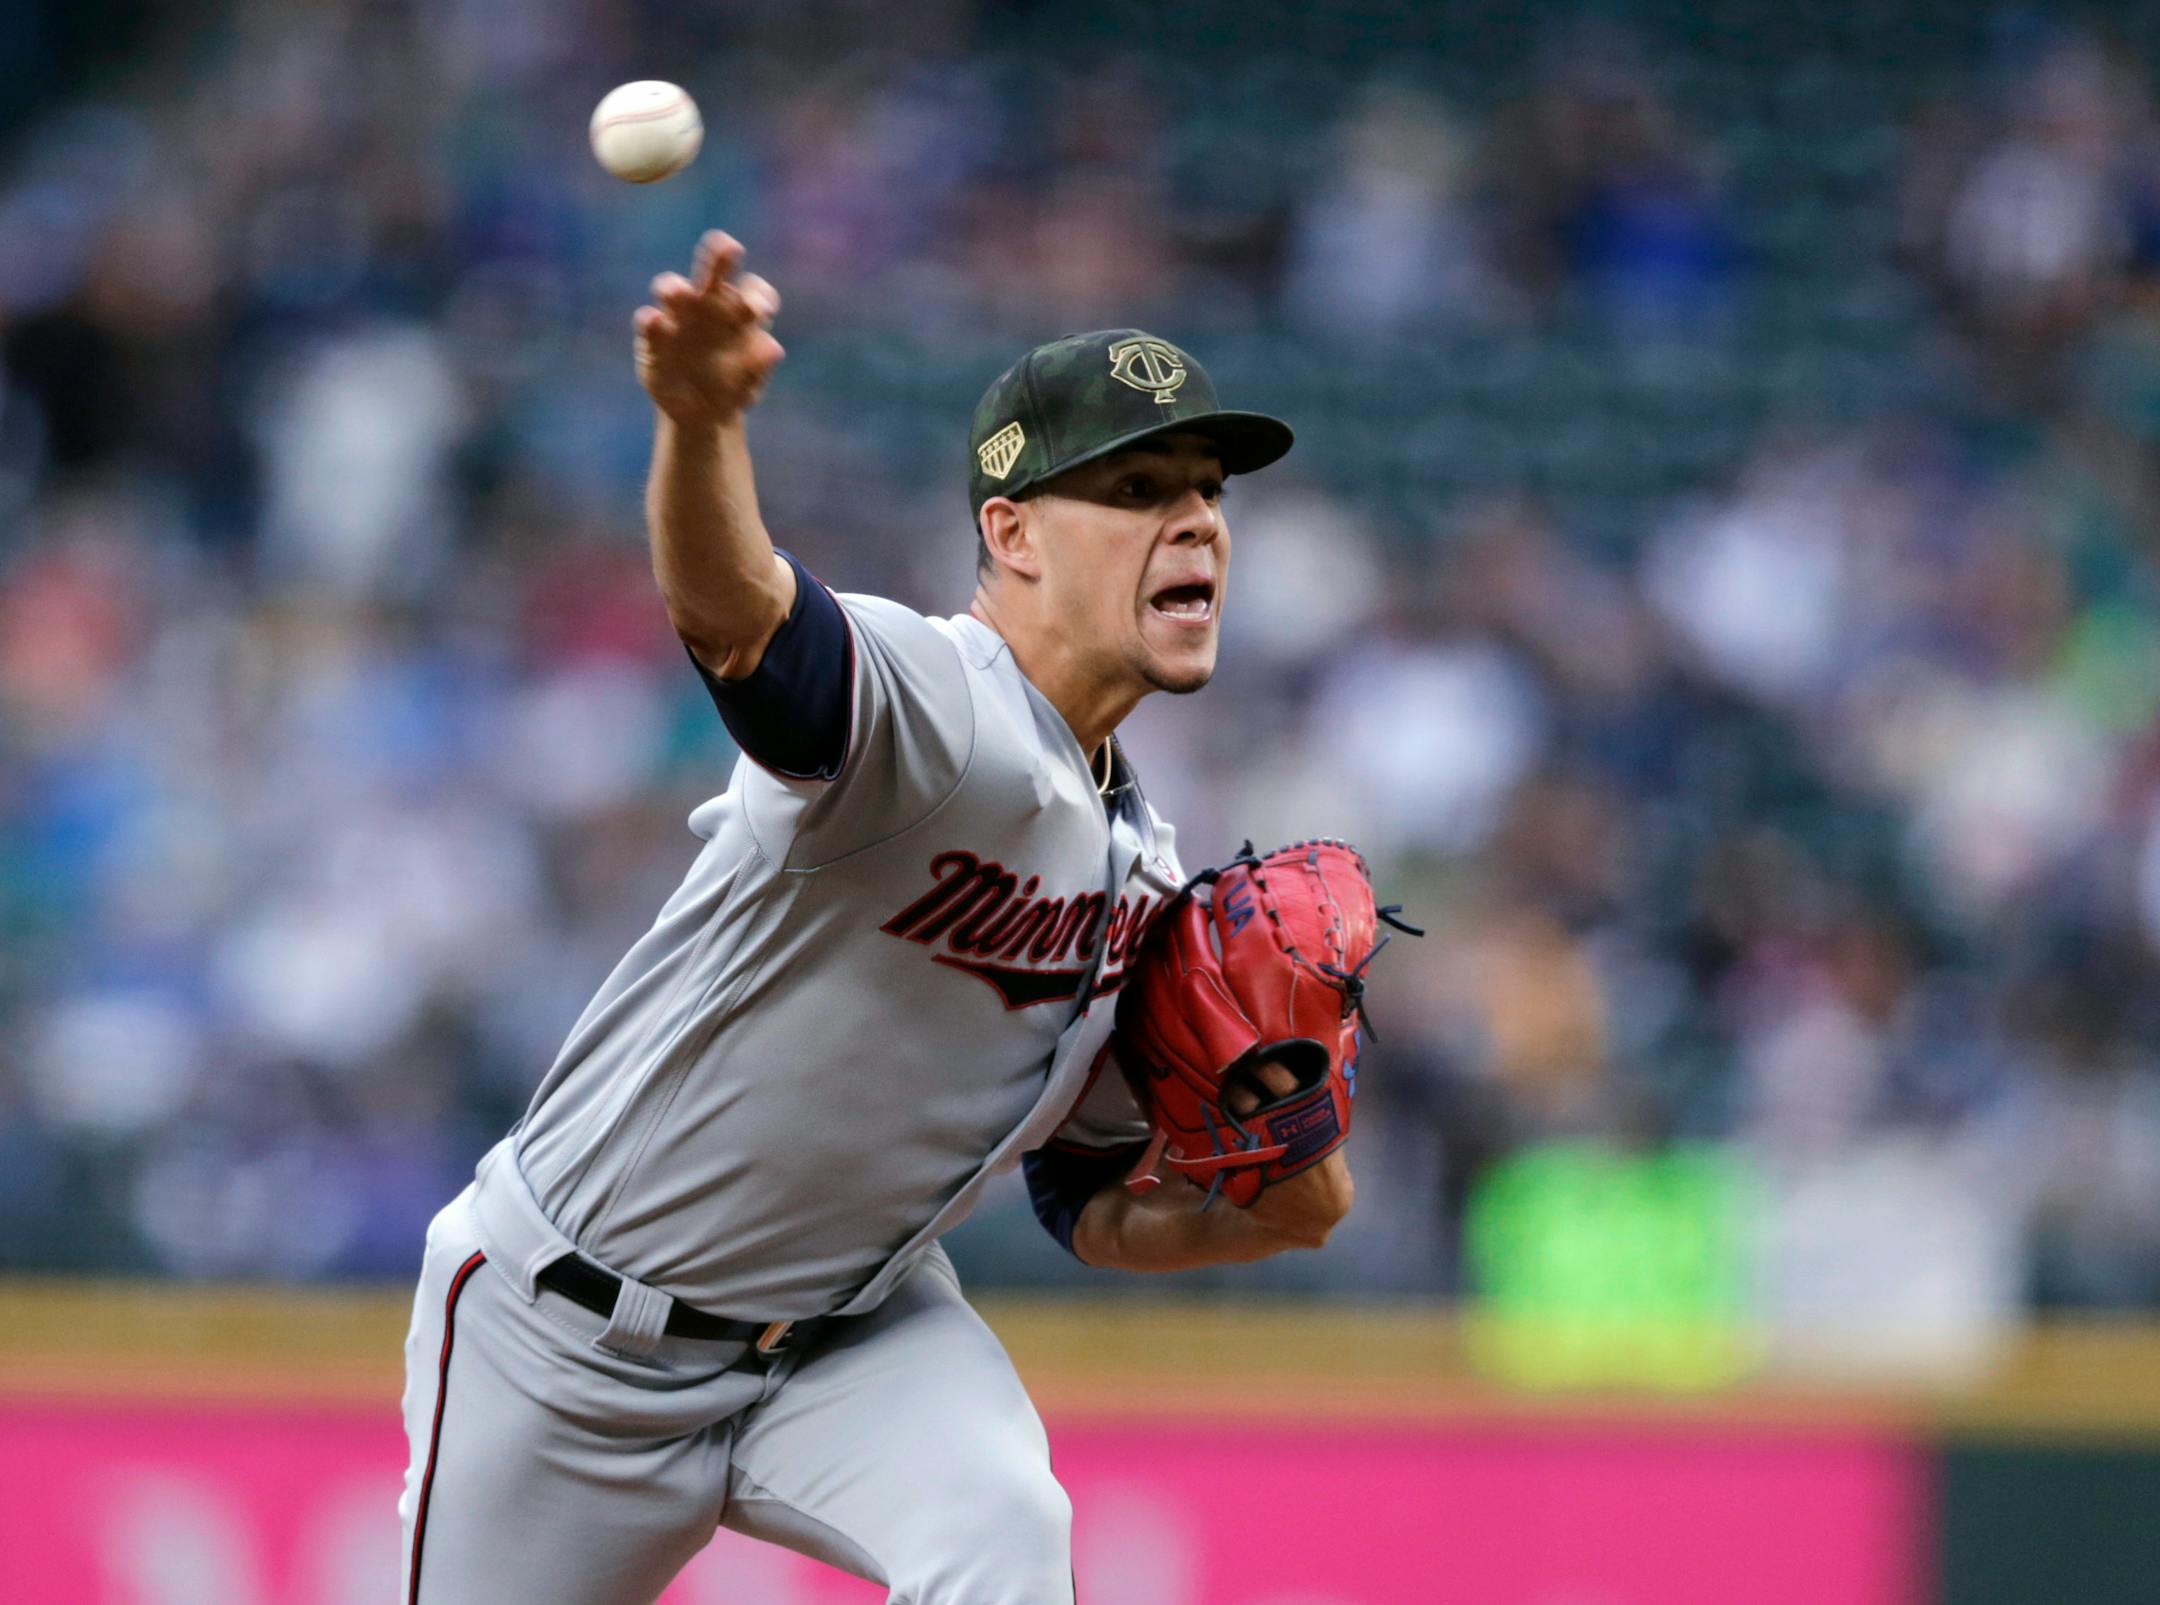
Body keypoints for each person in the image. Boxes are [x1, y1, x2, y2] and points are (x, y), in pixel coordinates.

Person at [396, 230, 1356, 1605]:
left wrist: (1284, 1176)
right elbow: (743, 627)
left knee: (1008, 1530)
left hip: (852, 1337)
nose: (1197, 518)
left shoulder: (1146, 878)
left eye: (1206, 491)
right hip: (569, 1341)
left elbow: (1085, 1202)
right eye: (1138, 488)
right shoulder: (941, 703)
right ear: (1010, 532)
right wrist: (701, 425)